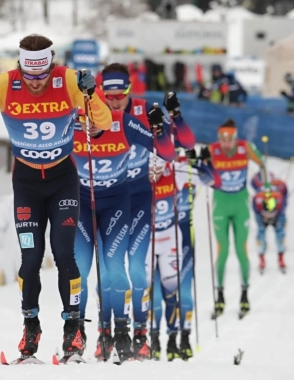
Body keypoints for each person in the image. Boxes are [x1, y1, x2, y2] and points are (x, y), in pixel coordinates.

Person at [0, 34, 112, 363]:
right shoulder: (3, 84)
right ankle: (31, 326)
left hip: (62, 180)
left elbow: (105, 122)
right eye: (31, 76)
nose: (37, 83)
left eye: (43, 75)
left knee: (63, 254)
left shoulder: (68, 79)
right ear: (20, 67)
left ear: (51, 64)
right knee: (30, 259)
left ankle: (73, 329)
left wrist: (91, 94)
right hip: (27, 182)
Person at [99, 64, 195, 360]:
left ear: (129, 90)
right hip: (107, 194)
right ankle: (106, 334)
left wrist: (172, 120)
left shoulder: (143, 111)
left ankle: (141, 334)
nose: (114, 102)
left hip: (140, 193)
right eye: (109, 95)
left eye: (120, 94)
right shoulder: (96, 112)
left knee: (137, 267)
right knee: (106, 270)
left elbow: (183, 145)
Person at [71, 104, 176, 362]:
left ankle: (128, 333)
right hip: (83, 204)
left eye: (96, 118)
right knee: (80, 270)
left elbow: (168, 151)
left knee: (123, 268)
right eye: (86, 119)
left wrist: (162, 129)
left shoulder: (124, 122)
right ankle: (78, 334)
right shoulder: (70, 124)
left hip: (122, 203)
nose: (91, 124)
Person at [148, 150, 220, 361]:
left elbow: (212, 181)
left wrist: (203, 163)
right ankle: (154, 340)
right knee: (154, 294)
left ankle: (183, 338)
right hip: (151, 237)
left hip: (181, 236)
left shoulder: (181, 169)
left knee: (184, 293)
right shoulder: (147, 169)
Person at [209, 118, 267, 319]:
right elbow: (194, 165)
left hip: (241, 206)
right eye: (222, 140)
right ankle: (220, 296)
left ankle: (244, 294)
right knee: (222, 251)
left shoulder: (245, 148)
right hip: (220, 206)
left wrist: (265, 190)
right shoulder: (211, 150)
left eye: (229, 140)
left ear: (235, 139)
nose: (226, 145)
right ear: (219, 139)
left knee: (241, 250)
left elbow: (263, 166)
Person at [251, 172, 288, 273]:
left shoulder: (280, 200)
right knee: (260, 234)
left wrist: (283, 219)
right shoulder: (257, 200)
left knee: (280, 234)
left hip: (278, 215)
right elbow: (255, 211)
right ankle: (261, 259)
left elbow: (285, 196)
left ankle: (281, 258)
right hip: (260, 216)